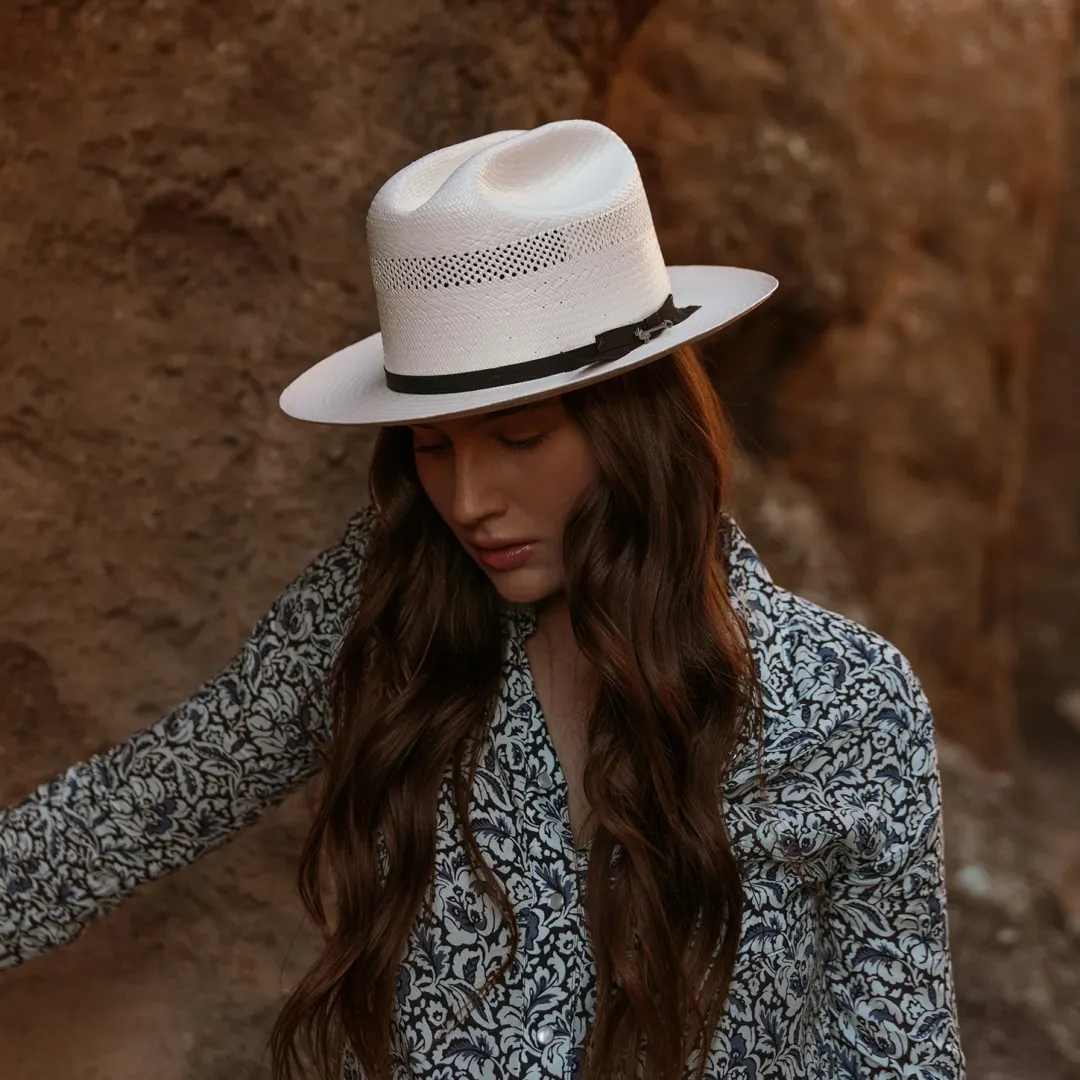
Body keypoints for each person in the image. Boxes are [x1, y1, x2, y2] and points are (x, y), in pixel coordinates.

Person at [0, 119, 965, 1080]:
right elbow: (140, 805)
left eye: (518, 438)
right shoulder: (385, 613)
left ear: (635, 428)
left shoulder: (844, 700)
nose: (467, 501)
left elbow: (902, 1056)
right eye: (432, 445)